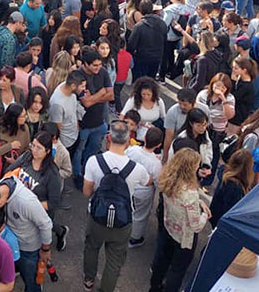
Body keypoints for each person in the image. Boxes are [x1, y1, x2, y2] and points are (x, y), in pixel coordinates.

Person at [82, 120, 151, 292]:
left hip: (97, 217)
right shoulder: (137, 168)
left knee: (92, 248)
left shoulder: (93, 161)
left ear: (108, 138)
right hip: (122, 221)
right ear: (128, 141)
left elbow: (86, 192)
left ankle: (89, 280)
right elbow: (148, 182)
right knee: (114, 261)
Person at [148, 148, 209, 292]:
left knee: (162, 261)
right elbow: (196, 226)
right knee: (177, 270)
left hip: (169, 227)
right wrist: (205, 213)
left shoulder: (167, 180)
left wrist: (199, 202)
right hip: (184, 239)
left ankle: (155, 287)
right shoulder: (190, 194)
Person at [0, 174, 53, 292]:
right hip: (6, 242)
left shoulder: (27, 202)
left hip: (28, 249)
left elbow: (46, 224)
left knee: (30, 280)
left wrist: (45, 250)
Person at [5, 131, 68, 250]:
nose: (34, 150)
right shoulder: (27, 157)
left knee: (45, 227)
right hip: (19, 204)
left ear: (47, 151)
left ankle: (61, 231)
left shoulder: (52, 174)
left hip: (38, 209)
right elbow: (10, 170)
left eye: (39, 148)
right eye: (33, 145)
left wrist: (31, 205)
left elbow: (53, 203)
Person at [73, 48, 114, 187]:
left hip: (99, 122)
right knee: (78, 151)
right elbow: (86, 102)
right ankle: (78, 175)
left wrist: (94, 97)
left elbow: (111, 95)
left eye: (99, 65)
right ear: (85, 64)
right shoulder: (77, 76)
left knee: (93, 149)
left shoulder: (102, 72)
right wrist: (101, 92)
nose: (98, 68)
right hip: (83, 124)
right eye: (94, 65)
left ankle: (87, 172)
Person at [125, 126, 163, 248]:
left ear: (145, 138)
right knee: (140, 215)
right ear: (159, 145)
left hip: (128, 185)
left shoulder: (133, 150)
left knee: (127, 209)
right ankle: (135, 238)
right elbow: (158, 181)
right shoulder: (156, 163)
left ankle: (122, 230)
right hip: (144, 191)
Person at [208, 149, 254, 227]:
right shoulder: (234, 186)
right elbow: (230, 210)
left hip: (216, 218)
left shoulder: (226, 175)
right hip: (222, 224)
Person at [127, 0, 167, 79]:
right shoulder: (162, 23)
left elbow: (131, 45)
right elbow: (165, 41)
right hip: (157, 57)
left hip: (142, 58)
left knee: (140, 80)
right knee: (151, 80)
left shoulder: (139, 26)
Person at [0, 102, 30, 167]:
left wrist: (16, 162)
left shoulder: (25, 128)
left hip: (15, 169)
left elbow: (26, 152)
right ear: (14, 118)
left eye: (25, 115)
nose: (26, 118)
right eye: (22, 116)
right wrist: (9, 146)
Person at [162, 88, 197, 164]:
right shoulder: (172, 112)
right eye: (179, 103)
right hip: (180, 145)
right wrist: (165, 156)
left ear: (193, 103)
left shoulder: (203, 109)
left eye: (185, 105)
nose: (181, 106)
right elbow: (168, 136)